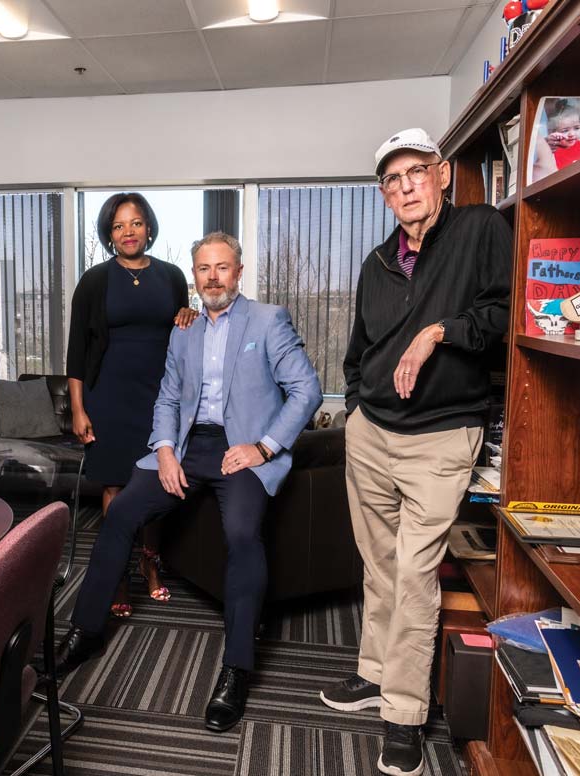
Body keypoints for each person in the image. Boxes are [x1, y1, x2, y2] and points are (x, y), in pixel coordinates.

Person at [56, 232, 322, 733]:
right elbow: (168, 397)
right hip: (187, 448)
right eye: (204, 269)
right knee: (121, 513)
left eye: (222, 267)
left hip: (241, 450)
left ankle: (236, 668)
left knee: (242, 535)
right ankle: (86, 630)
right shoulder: (184, 330)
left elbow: (307, 390)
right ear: (194, 276)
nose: (212, 277)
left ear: (238, 271)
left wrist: (264, 447)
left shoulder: (268, 320)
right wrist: (164, 451)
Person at [320, 128, 511, 776]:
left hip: (440, 436)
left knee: (414, 572)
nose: (406, 187)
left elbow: (502, 316)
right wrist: (356, 409)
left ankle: (403, 713)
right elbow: (358, 350)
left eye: (416, 173)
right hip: (372, 432)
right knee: (379, 566)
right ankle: (376, 672)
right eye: (393, 180)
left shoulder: (480, 229)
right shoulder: (376, 262)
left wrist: (437, 332)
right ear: (384, 195)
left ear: (442, 174)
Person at [66, 193, 196, 617]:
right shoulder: (94, 280)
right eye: (119, 225)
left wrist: (189, 316)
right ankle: (118, 571)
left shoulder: (172, 276)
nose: (128, 232)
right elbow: (77, 350)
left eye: (136, 223)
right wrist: (78, 409)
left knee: (158, 483)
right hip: (109, 396)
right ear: (109, 234)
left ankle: (149, 562)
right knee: (115, 487)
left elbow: (183, 327)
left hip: (160, 397)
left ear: (149, 227)